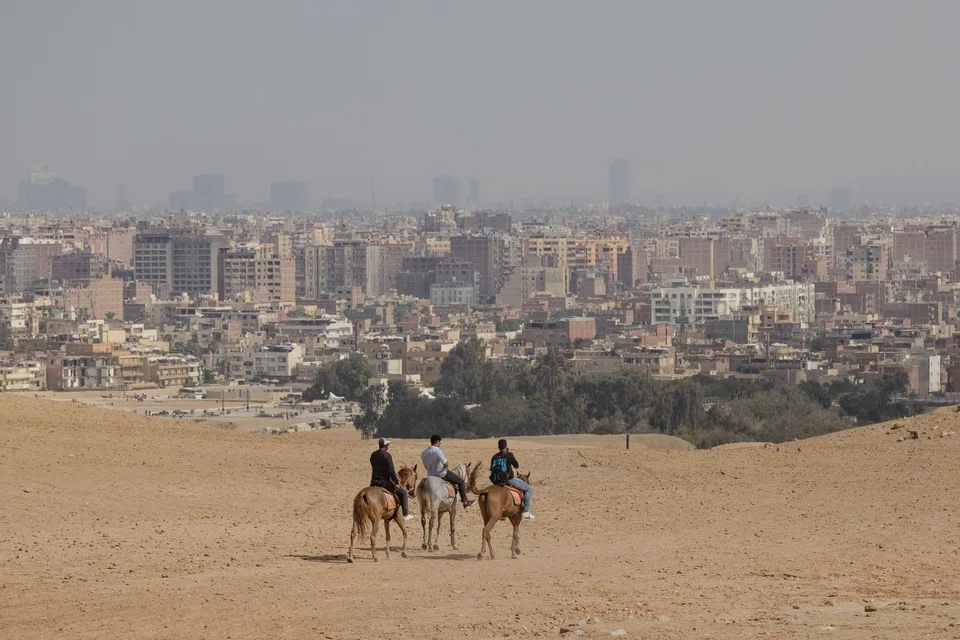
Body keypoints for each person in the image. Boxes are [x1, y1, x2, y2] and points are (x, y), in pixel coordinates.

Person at [421, 434, 475, 509]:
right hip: (442, 474)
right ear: (437, 442)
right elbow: (446, 463)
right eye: (440, 442)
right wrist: (445, 466)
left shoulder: (424, 453)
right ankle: (465, 502)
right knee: (461, 482)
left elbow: (426, 467)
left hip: (430, 475)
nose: (440, 444)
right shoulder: (438, 451)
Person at [370, 437, 416, 521]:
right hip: (384, 482)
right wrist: (396, 482)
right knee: (403, 493)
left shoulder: (373, 455)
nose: (388, 446)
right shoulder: (387, 455)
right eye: (388, 444)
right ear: (385, 445)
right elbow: (391, 471)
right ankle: (405, 514)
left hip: (374, 481)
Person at [490, 438, 534, 520]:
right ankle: (526, 511)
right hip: (509, 479)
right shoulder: (509, 454)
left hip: (496, 481)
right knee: (528, 489)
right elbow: (516, 465)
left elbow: (492, 469)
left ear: (498, 447)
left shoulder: (494, 457)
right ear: (506, 446)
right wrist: (509, 454)